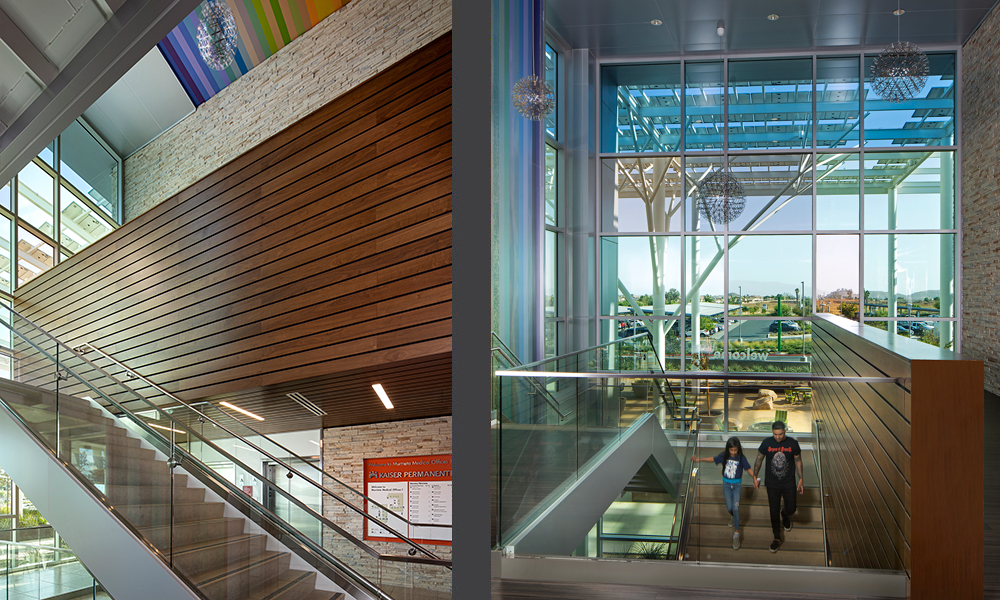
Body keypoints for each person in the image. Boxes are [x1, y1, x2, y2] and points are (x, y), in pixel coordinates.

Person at [692, 436, 754, 550]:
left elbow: (748, 468)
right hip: (726, 485)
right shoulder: (724, 456)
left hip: (737, 486)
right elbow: (713, 459)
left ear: (738, 449)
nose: (734, 452)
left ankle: (736, 535)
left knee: (736, 508)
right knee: (729, 507)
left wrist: (754, 477)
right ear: (728, 449)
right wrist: (698, 460)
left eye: (735, 450)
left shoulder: (741, 457)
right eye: (731, 450)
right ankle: (733, 517)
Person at [753, 420, 803, 553]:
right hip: (772, 483)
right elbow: (759, 459)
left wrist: (801, 479)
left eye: (780, 434)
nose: (778, 437)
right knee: (773, 510)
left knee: (791, 508)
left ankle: (785, 515)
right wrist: (755, 476)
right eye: (775, 434)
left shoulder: (793, 443)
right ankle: (776, 537)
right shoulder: (767, 443)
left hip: (788, 482)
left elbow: (798, 461)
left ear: (785, 431)